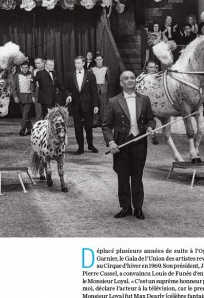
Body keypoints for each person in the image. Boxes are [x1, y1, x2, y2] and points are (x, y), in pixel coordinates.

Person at [102, 71, 156, 220]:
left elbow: (150, 119)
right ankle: (125, 207)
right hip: (121, 144)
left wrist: (150, 127)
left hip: (139, 142)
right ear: (121, 83)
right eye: (126, 78)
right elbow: (106, 126)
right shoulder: (113, 101)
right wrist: (111, 142)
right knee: (123, 176)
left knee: (137, 176)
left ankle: (138, 207)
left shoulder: (144, 99)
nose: (130, 80)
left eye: (132, 78)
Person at [65, 56, 99, 155]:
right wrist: (68, 95)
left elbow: (94, 91)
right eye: (75, 63)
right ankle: (80, 147)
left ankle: (90, 145)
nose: (77, 65)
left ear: (83, 63)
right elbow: (66, 88)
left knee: (88, 127)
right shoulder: (70, 75)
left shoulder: (90, 75)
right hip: (76, 105)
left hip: (88, 105)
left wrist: (95, 105)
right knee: (78, 127)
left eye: (79, 63)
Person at [12, 61, 35, 136]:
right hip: (20, 98)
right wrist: (15, 96)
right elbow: (13, 87)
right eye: (23, 68)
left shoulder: (31, 75)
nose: (25, 69)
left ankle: (22, 130)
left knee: (25, 115)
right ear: (20, 68)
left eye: (26, 68)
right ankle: (30, 129)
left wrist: (33, 96)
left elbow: (33, 87)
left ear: (29, 68)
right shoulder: (17, 75)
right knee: (26, 115)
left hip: (29, 97)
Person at [91, 54, 110, 128]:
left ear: (102, 60)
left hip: (103, 89)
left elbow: (109, 79)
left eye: (100, 59)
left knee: (103, 106)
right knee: (94, 105)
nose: (99, 61)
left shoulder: (106, 68)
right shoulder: (92, 69)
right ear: (95, 60)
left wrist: (105, 86)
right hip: (94, 89)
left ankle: (103, 122)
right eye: (97, 60)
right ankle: (95, 122)